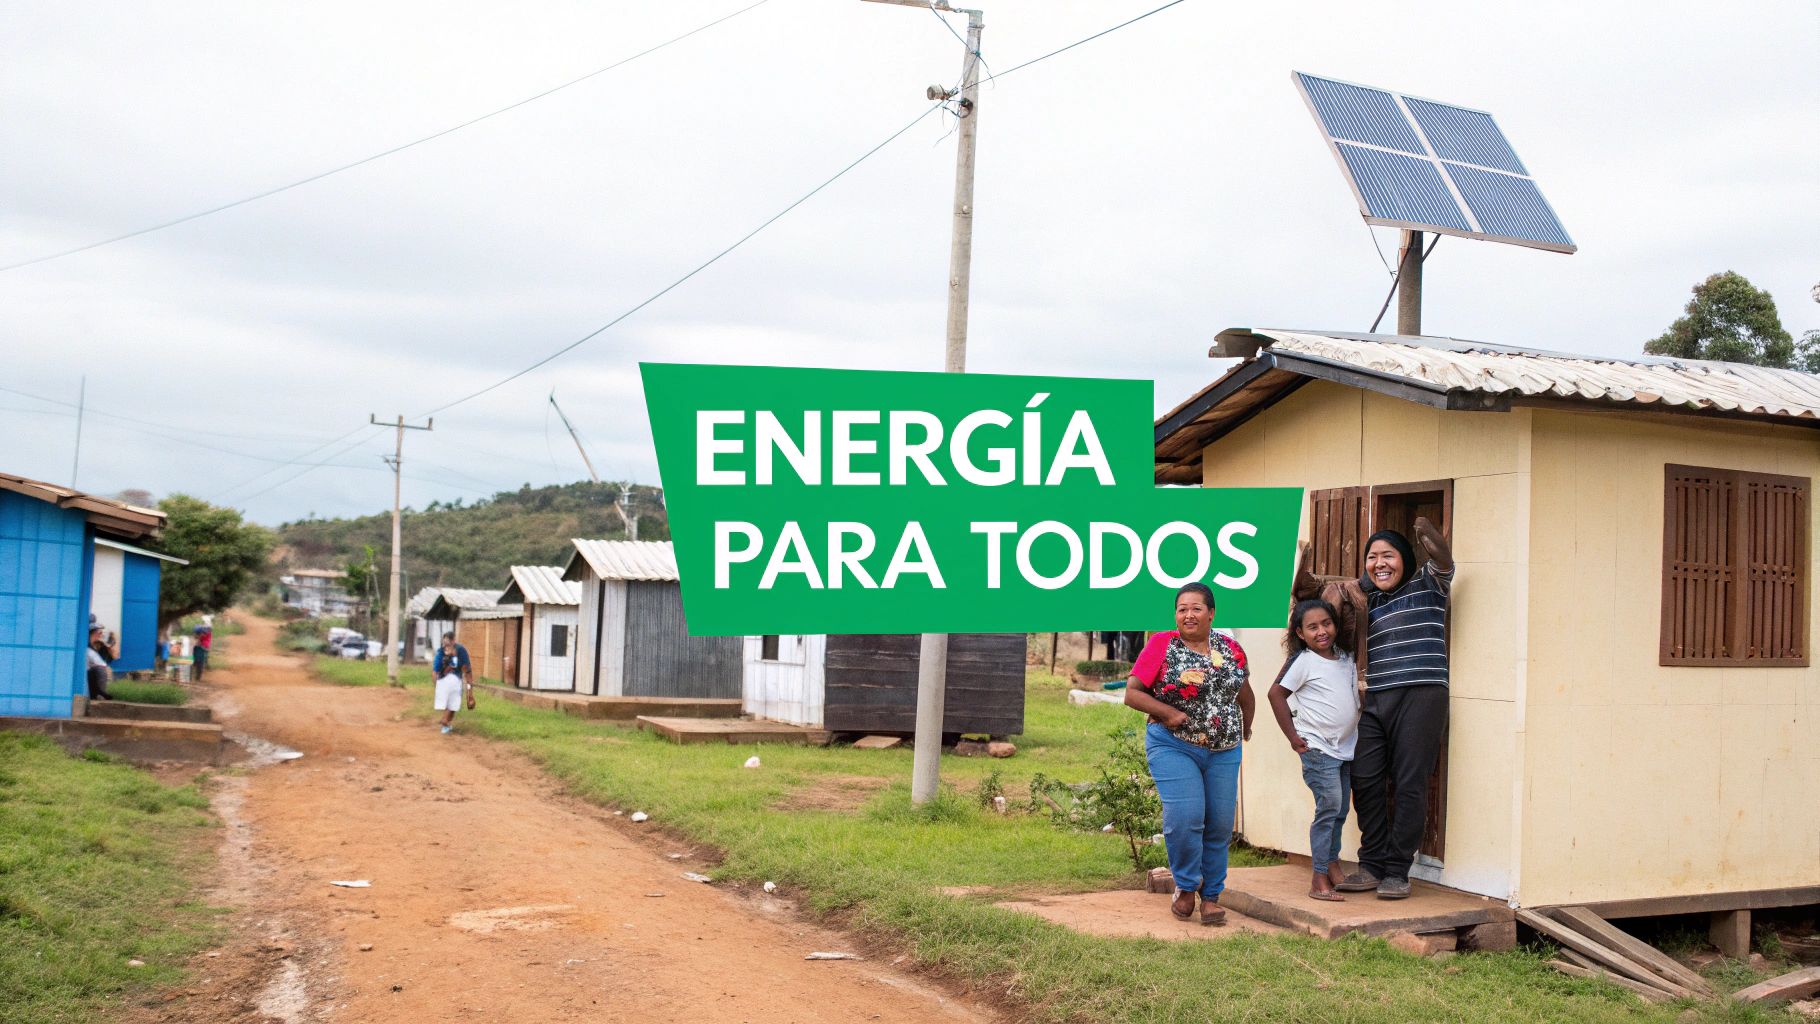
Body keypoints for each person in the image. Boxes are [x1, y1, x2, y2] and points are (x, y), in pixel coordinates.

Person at [1313, 518, 1453, 900]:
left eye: (1388, 555)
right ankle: (1372, 864)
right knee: (1365, 778)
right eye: (1372, 557)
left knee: (1409, 782)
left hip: (1421, 695)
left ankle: (1396, 871)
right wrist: (1355, 584)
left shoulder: (1429, 584)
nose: (1379, 563)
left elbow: (1443, 559)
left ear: (1405, 558)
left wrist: (1426, 534)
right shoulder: (1366, 601)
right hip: (1374, 698)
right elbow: (1328, 603)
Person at [1123, 582, 1254, 926]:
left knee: (1219, 824)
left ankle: (1211, 897)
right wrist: (1167, 713)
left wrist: (1247, 728)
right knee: (1186, 817)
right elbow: (1132, 693)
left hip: (1223, 749)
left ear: (1211, 614)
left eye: (1196, 608)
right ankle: (1185, 885)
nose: (1188, 615)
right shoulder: (1161, 644)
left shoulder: (1231, 649)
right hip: (1173, 743)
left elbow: (1245, 693)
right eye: (1182, 609)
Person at [1267, 599, 1360, 902]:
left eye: (1326, 623)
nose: (1322, 631)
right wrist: (1293, 737)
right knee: (1329, 808)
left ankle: (1331, 865)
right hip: (1318, 748)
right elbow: (1276, 694)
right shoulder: (1304, 660)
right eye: (1313, 627)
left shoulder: (1345, 658)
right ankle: (1319, 878)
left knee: (1340, 810)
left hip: (1344, 747)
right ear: (1300, 633)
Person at [432, 632, 474, 735]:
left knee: (452, 701)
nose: (446, 647)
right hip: (448, 681)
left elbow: (467, 672)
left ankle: (446, 723)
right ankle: (445, 721)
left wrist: (470, 695)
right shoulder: (442, 653)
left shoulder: (459, 652)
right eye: (445, 645)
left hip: (450, 681)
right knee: (452, 701)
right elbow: (435, 672)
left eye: (448, 644)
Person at [86, 624, 118, 701]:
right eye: (99, 632)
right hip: (91, 672)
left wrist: (109, 646)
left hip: (101, 672)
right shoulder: (86, 645)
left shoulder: (102, 645)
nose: (101, 634)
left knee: (105, 671)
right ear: (93, 633)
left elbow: (115, 656)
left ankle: (101, 696)